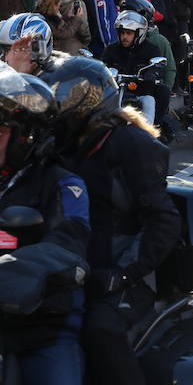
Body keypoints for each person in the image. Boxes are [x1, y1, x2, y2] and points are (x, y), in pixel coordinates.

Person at [41, 57, 180, 385]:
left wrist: (121, 275)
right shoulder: (59, 144)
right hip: (64, 267)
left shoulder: (131, 144)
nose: (61, 106)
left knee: (100, 330)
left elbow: (163, 220)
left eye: (68, 98)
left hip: (118, 274)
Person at [0, 70, 90, 385]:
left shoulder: (65, 184)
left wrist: (14, 269)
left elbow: (69, 246)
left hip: (41, 325)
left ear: (26, 136)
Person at [101, 11, 168, 127]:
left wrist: (151, 73)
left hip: (141, 90)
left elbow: (158, 65)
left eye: (129, 33)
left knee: (153, 97)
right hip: (115, 91)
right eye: (122, 33)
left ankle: (150, 133)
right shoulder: (112, 49)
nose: (124, 37)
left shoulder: (151, 49)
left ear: (139, 34)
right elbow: (102, 65)